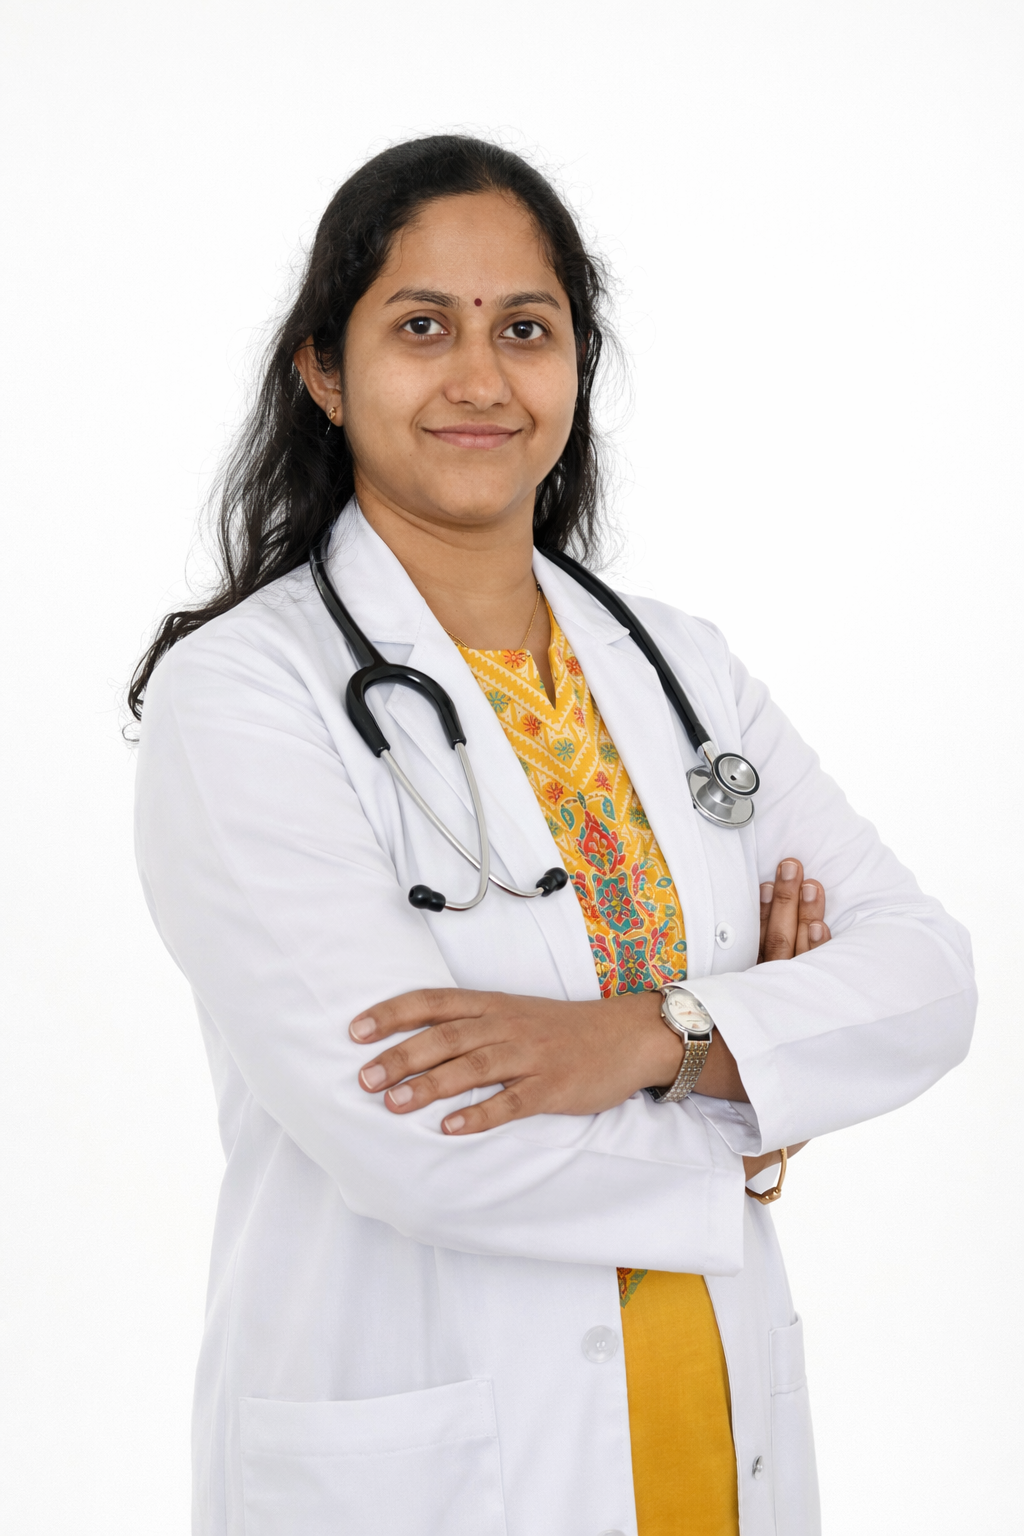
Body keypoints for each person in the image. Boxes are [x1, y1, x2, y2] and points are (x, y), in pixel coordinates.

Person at [130, 136, 976, 1536]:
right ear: (324, 371)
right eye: (422, 328)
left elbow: (929, 979)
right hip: (432, 1453)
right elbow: (416, 1136)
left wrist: (650, 1038)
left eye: (525, 329)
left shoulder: (682, 668)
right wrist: (754, 1089)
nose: (481, 379)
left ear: (577, 367)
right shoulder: (242, 695)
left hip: (708, 1413)